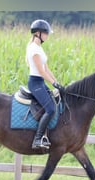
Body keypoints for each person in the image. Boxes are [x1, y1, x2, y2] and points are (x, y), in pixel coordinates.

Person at [26, 19, 64, 149]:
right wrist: (53, 83)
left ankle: (47, 135)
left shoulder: (39, 48)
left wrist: (57, 83)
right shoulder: (33, 49)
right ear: (38, 33)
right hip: (35, 83)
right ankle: (37, 139)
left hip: (41, 83)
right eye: (46, 33)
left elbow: (47, 69)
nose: (47, 36)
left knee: (56, 102)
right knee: (51, 109)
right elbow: (41, 71)